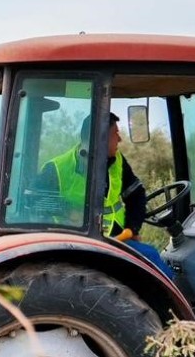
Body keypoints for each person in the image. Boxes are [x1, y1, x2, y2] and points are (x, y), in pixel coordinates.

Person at [43, 112, 173, 275]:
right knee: (151, 256)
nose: (120, 139)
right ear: (100, 139)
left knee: (148, 253)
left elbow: (136, 195)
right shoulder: (56, 169)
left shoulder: (117, 160)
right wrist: (68, 211)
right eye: (115, 134)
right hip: (74, 243)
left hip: (114, 237)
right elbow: (34, 205)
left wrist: (132, 228)